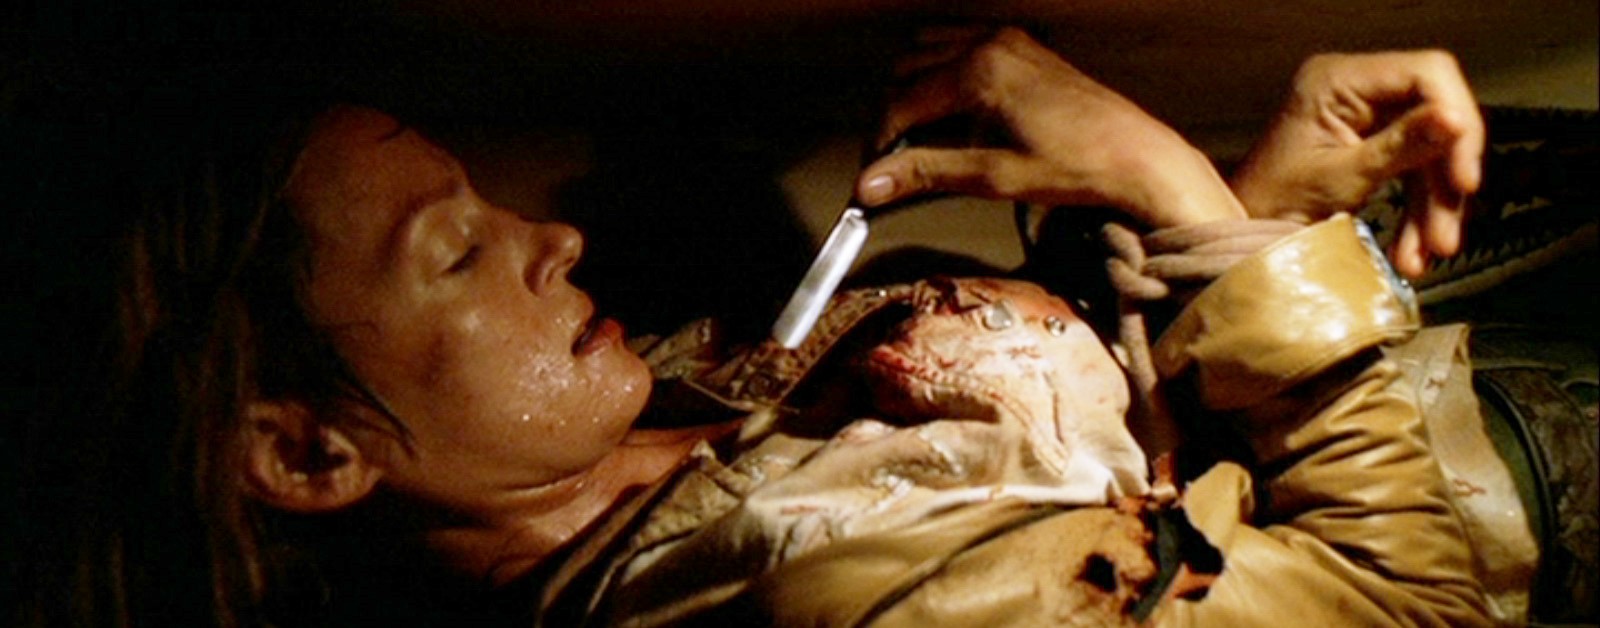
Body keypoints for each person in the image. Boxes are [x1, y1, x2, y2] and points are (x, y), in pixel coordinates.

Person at [11, 25, 1495, 627]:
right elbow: (1404, 606)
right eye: (454, 252)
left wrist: (1262, 209)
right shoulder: (805, 605)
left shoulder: (661, 393)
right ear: (306, 455)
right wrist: (1177, 190)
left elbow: (1137, 504)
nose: (553, 237)